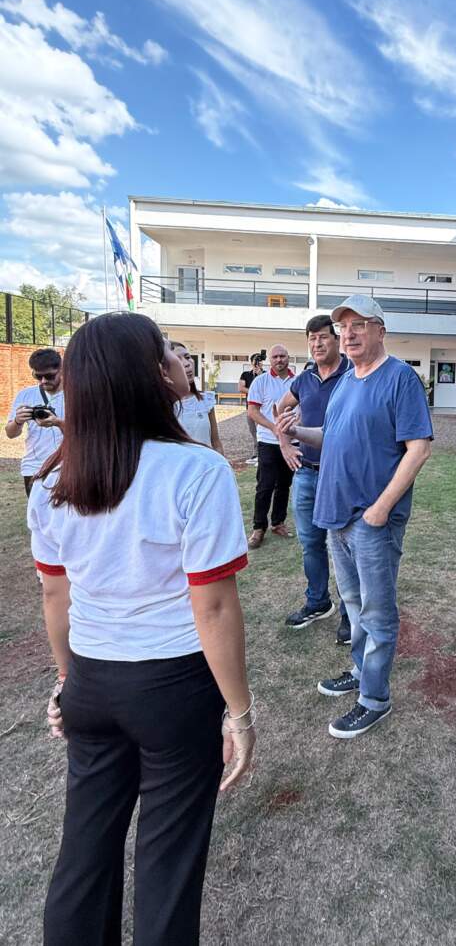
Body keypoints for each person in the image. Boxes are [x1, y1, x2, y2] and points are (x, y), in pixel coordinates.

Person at [27, 312, 254, 946]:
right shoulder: (197, 471)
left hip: (93, 685)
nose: (182, 363)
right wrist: (240, 711)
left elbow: (55, 594)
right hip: (173, 686)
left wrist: (68, 682)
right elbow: (212, 608)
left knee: (84, 854)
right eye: (171, 354)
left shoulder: (52, 485)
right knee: (168, 859)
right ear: (154, 374)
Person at [277, 294, 432, 739]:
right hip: (336, 516)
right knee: (354, 605)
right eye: (344, 326)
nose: (349, 333)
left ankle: (374, 699)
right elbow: (332, 435)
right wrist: (298, 431)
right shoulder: (346, 381)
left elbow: (418, 448)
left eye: (359, 325)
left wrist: (381, 510)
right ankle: (361, 670)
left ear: (380, 330)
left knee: (378, 612)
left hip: (370, 519)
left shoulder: (400, 378)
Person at [274, 314, 351, 642]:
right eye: (311, 338)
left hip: (340, 475)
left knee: (344, 547)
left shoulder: (353, 375)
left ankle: (350, 613)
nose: (317, 344)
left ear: (336, 340)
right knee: (310, 543)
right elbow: (280, 409)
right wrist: (285, 445)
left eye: (323, 337)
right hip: (306, 474)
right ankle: (318, 602)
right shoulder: (303, 380)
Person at [247, 344, 295, 546]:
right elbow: (253, 412)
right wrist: (274, 427)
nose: (279, 360)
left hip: (292, 442)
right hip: (268, 440)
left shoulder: (298, 381)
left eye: (282, 356)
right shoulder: (261, 382)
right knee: (265, 486)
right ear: (270, 360)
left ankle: (278, 522)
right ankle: (259, 528)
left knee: (284, 484)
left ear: (288, 358)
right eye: (275, 356)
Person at [6, 347, 65, 495]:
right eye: (38, 377)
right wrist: (18, 421)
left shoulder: (76, 394)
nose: (43, 381)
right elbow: (10, 434)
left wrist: (58, 423)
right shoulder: (25, 395)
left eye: (49, 376)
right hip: (34, 467)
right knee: (37, 517)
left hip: (67, 466)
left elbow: (84, 433)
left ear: (61, 369)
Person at [171, 341, 224, 453]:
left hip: (207, 467)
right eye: (178, 360)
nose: (186, 363)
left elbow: (216, 443)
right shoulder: (160, 407)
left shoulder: (205, 401)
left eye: (187, 357)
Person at [239, 354, 263, 465]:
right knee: (253, 431)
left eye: (260, 361)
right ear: (251, 362)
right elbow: (241, 388)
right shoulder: (245, 374)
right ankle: (256, 452)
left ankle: (261, 453)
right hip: (250, 408)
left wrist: (259, 375)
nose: (258, 363)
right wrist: (254, 391)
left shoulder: (265, 375)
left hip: (262, 409)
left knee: (262, 431)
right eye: (256, 361)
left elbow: (265, 389)